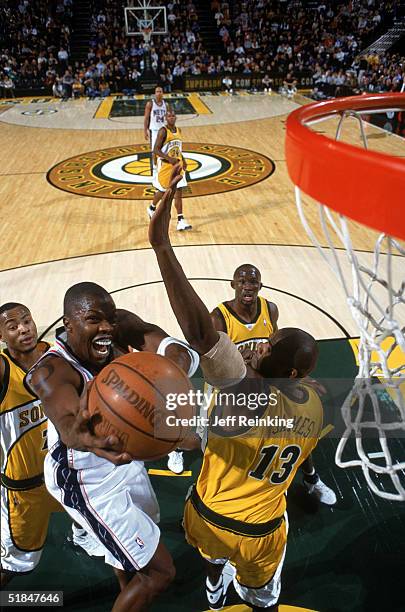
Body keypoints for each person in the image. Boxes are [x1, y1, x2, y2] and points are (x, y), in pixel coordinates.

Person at [148, 165, 324, 611]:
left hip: (211, 515)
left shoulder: (244, 394)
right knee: (263, 600)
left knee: (211, 558)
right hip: (264, 529)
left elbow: (197, 332)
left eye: (269, 345)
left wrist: (162, 246)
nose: (263, 343)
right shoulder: (318, 407)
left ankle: (212, 588)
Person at [27, 284, 199, 612]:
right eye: (93, 320)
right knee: (159, 573)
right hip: (84, 477)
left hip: (121, 457)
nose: (105, 327)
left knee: (144, 529)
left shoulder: (118, 327)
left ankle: (127, 586)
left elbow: (175, 349)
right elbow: (66, 423)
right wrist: (80, 437)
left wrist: (173, 372)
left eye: (108, 319)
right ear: (68, 323)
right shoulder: (50, 371)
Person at [211, 265, 337, 505]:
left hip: (266, 385)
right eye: (242, 281)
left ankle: (311, 478)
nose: (248, 286)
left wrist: (298, 376)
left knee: (296, 429)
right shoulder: (219, 317)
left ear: (260, 286)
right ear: (233, 285)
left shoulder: (270, 309)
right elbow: (215, 359)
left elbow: (278, 350)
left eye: (253, 282)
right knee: (226, 449)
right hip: (234, 390)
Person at [0, 303, 61, 586]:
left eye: (27, 321)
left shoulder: (56, 355)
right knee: (13, 566)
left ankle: (83, 531)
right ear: (2, 336)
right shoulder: (4, 373)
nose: (23, 328)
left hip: (65, 473)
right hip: (26, 487)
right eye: (12, 327)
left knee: (103, 533)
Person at [147, 109, 192, 231]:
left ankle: (180, 219)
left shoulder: (179, 130)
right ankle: (151, 207)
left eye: (173, 116)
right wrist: (169, 159)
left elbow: (178, 149)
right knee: (163, 191)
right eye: (169, 116)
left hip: (178, 165)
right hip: (166, 166)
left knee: (179, 192)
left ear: (176, 117)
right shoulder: (163, 131)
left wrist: (183, 160)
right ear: (166, 118)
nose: (171, 118)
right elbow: (155, 150)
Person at [144, 86, 167, 181]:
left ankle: (164, 169)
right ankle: (154, 169)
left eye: (160, 91)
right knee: (154, 151)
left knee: (165, 150)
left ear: (163, 93)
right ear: (155, 93)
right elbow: (146, 118)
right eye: (157, 91)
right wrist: (145, 130)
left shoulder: (166, 104)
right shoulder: (150, 104)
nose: (159, 93)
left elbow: (169, 118)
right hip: (154, 130)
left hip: (164, 130)